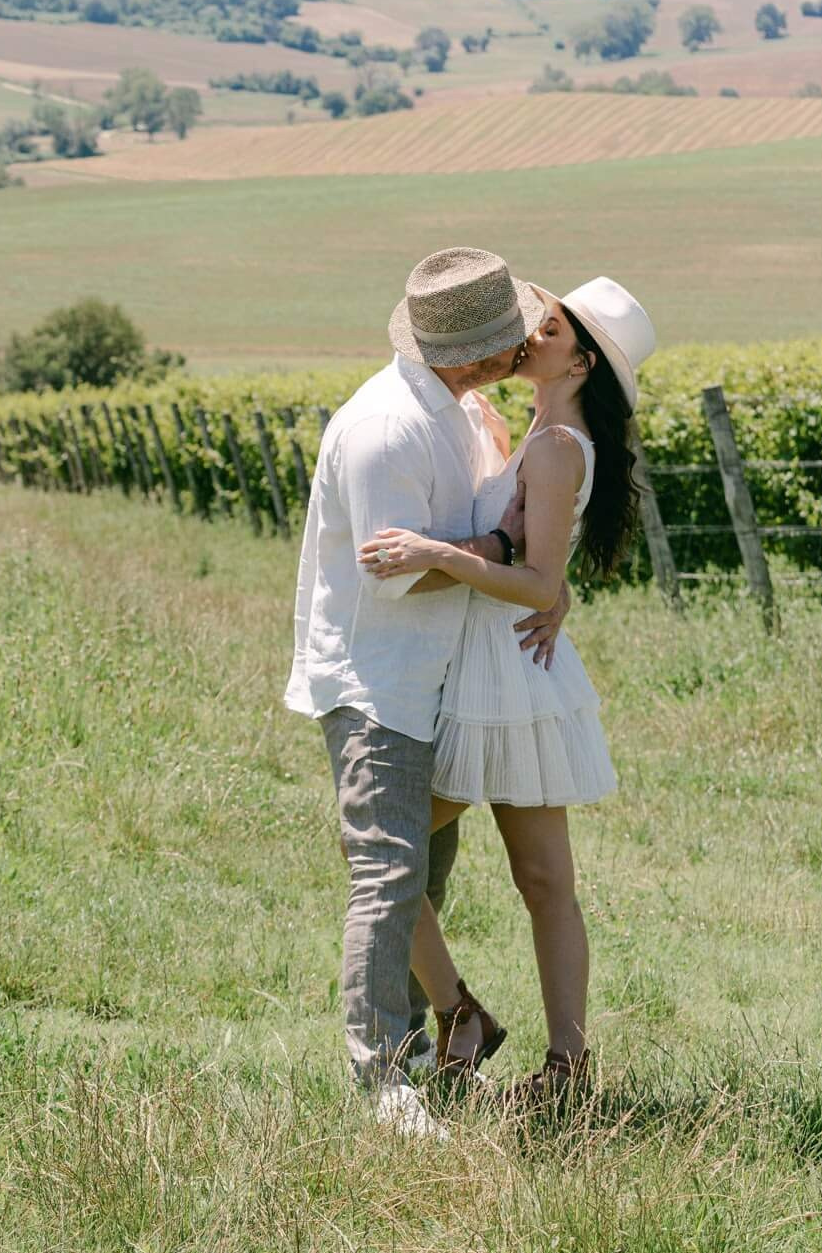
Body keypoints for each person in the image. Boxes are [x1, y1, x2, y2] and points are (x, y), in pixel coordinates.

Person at [285, 247, 569, 1139]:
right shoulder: (385, 428)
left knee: (426, 878)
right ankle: (381, 1082)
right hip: (378, 676)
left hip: (438, 673)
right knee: (388, 873)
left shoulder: (461, 411)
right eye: (507, 338)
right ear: (471, 352)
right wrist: (499, 551)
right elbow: (400, 571)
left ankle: (428, 1045)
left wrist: (534, 572)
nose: (520, 347)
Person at [358, 277, 657, 1104]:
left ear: (582, 363)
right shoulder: (537, 433)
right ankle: (546, 1056)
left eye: (550, 329)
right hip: (501, 666)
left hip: (508, 673)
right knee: (539, 881)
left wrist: (436, 553)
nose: (531, 334)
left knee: (392, 850)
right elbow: (540, 564)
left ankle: (482, 1023)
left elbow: (536, 583)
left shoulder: (557, 446)